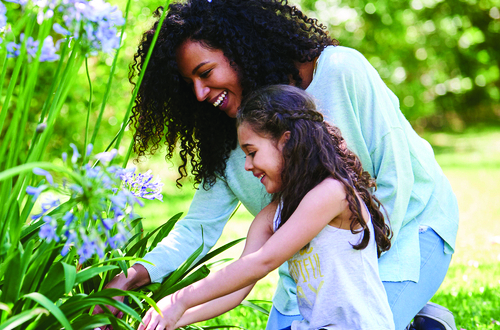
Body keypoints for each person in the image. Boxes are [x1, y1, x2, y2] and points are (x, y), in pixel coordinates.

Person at [95, 0, 459, 329]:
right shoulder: (234, 139)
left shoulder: (340, 71)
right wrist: (133, 276)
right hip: (311, 269)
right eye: (189, 82)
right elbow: (199, 231)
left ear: (240, 49)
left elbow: (399, 176)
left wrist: (363, 275)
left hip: (407, 231)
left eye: (205, 72)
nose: (199, 93)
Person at [139, 84, 395, 330]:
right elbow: (237, 289)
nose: (247, 165)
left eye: (251, 152)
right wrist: (168, 320)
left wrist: (179, 300)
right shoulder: (274, 213)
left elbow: (263, 262)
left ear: (286, 141)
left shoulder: (332, 193)